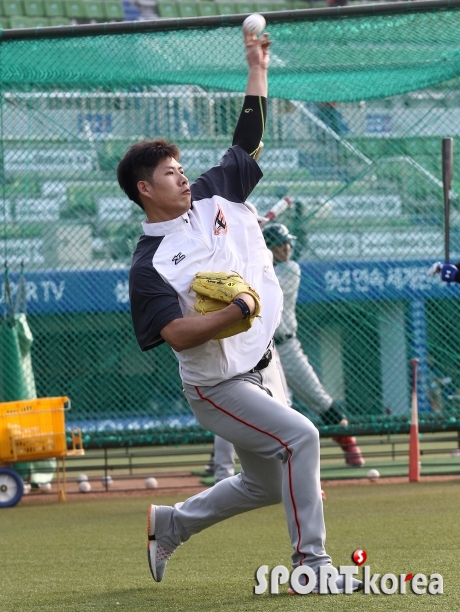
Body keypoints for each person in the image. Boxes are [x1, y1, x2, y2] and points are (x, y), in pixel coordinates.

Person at [117, 31, 362, 594]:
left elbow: (247, 140)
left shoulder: (213, 194)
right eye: (169, 171)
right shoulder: (149, 263)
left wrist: (257, 67)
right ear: (144, 189)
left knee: (265, 483)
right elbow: (176, 334)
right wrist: (237, 311)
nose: (181, 174)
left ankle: (172, 523)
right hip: (219, 386)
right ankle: (313, 566)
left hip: (265, 361)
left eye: (180, 166)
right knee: (302, 437)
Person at [263, 223, 365, 468]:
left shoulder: (290, 270)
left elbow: (264, 285)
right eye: (279, 244)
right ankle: (282, 462)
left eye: (286, 243)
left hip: (287, 345)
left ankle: (348, 442)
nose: (286, 248)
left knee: (318, 398)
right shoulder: (253, 268)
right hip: (261, 350)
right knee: (278, 404)